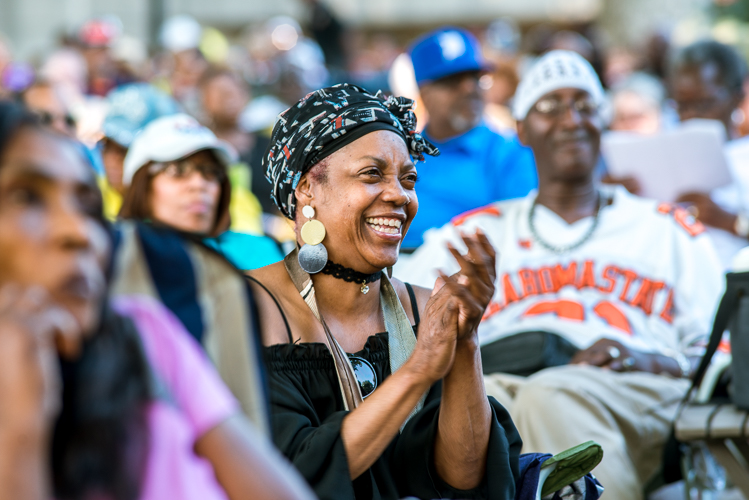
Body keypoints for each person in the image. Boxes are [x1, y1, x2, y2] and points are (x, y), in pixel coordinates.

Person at [396, 51, 724, 500]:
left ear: (603, 123)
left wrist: (647, 359)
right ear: (522, 130)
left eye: (585, 106)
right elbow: (393, 312)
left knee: (549, 395)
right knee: (485, 403)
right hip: (506, 381)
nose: (571, 119)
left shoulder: (668, 228)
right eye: (550, 107)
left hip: (636, 391)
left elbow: (719, 354)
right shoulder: (475, 232)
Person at [0, 100, 314, 500]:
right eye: (26, 197)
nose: (77, 231)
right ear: (140, 186)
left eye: (86, 205)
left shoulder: (143, 328)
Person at [248, 84, 522, 499]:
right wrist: (419, 368)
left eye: (408, 178)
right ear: (307, 189)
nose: (400, 195)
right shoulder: (251, 307)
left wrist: (465, 343)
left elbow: (463, 480)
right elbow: (291, 477)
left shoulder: (427, 309)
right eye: (372, 174)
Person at [403, 27, 537, 249]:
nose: (469, 88)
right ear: (424, 92)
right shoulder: (400, 154)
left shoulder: (512, 152)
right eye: (453, 80)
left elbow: (520, 241)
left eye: (476, 78)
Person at [119, 114, 281, 271]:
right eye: (177, 170)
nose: (199, 184)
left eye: (211, 172)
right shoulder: (116, 253)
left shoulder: (257, 254)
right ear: (141, 185)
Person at [668, 40, 749, 266]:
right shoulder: (664, 157)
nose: (692, 116)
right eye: (683, 106)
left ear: (736, 98)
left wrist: (731, 222)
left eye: (705, 104)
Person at [99, 82, 181, 218]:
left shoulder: (185, 207)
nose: (112, 158)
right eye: (107, 145)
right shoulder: (90, 195)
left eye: (125, 148)